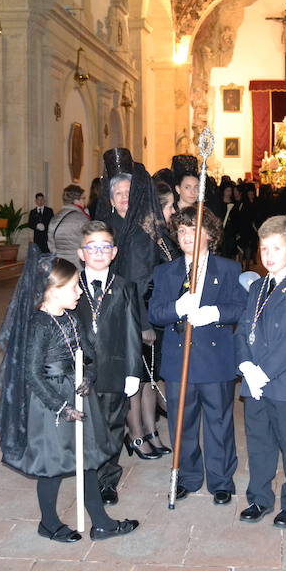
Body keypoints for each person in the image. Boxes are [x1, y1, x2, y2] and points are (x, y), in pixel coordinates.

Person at [0, 247, 138, 543]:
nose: (79, 293)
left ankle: (101, 523)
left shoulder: (70, 317)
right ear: (52, 290)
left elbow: (88, 354)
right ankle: (48, 522)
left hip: (76, 395)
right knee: (53, 464)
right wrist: (61, 407)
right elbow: (32, 373)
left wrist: (90, 375)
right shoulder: (39, 324)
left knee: (85, 459)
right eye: (73, 287)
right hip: (52, 404)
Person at [148, 206, 247, 506]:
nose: (186, 235)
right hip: (180, 361)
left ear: (209, 234)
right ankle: (187, 477)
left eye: (193, 229)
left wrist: (215, 312)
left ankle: (220, 479)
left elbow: (241, 308)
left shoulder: (228, 269)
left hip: (215, 361)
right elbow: (154, 312)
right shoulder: (166, 271)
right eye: (181, 230)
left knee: (218, 422)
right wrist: (178, 308)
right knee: (183, 423)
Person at [235, 215, 286, 529]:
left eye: (276, 248)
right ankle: (259, 498)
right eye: (263, 248)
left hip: (284, 383)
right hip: (254, 382)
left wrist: (261, 373)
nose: (267, 256)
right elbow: (243, 329)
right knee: (258, 442)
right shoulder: (257, 287)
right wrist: (245, 365)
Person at [97, 149, 176, 458]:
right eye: (117, 193)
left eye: (128, 191)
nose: (123, 197)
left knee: (148, 377)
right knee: (133, 378)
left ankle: (150, 431)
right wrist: (142, 323)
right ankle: (136, 436)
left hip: (146, 310)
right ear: (110, 197)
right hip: (126, 316)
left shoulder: (142, 226)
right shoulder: (107, 228)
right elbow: (130, 282)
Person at [75, 220, 143, 506]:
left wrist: (133, 371)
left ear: (114, 253)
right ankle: (87, 475)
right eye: (92, 248)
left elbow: (131, 329)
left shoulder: (124, 286)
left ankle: (107, 481)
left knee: (113, 426)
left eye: (105, 247)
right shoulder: (70, 284)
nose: (99, 253)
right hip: (80, 371)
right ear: (82, 253)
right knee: (85, 427)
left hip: (115, 369)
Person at [48, 184, 89, 268]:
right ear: (76, 201)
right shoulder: (81, 218)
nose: (84, 202)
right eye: (83, 198)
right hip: (77, 264)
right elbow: (87, 243)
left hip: (60, 266)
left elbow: (51, 244)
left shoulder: (55, 217)